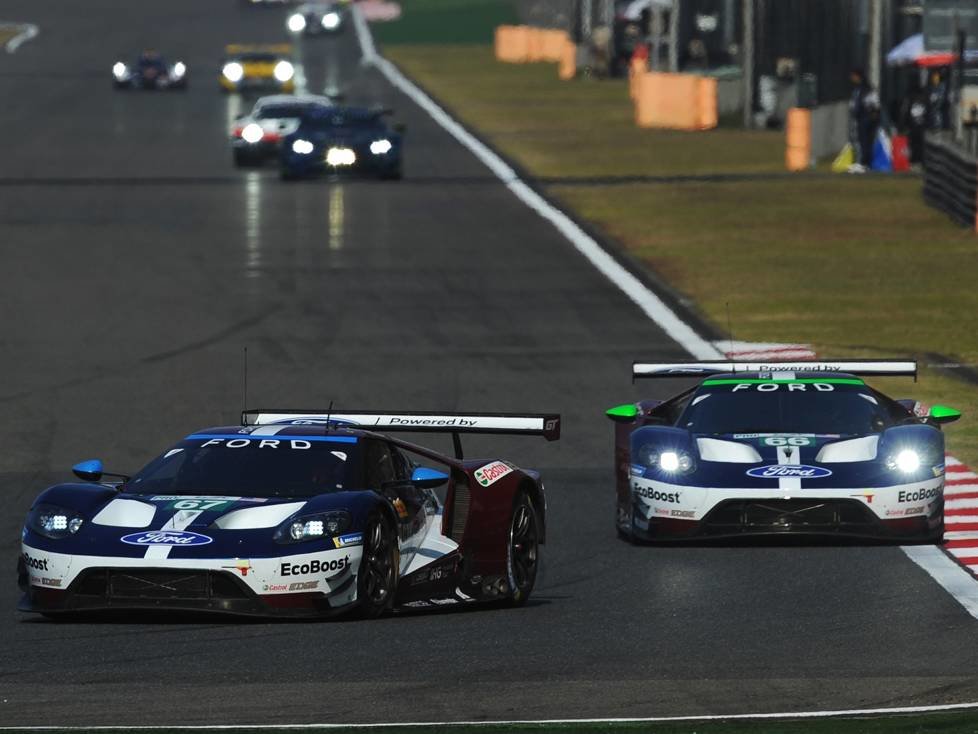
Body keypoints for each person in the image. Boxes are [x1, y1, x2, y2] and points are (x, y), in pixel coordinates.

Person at [848, 68, 880, 172]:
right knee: (862, 140)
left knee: (865, 141)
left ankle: (864, 163)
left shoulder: (867, 89)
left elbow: (874, 103)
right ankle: (864, 162)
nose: (852, 78)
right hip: (860, 117)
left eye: (854, 76)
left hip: (866, 118)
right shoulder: (858, 89)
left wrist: (872, 115)